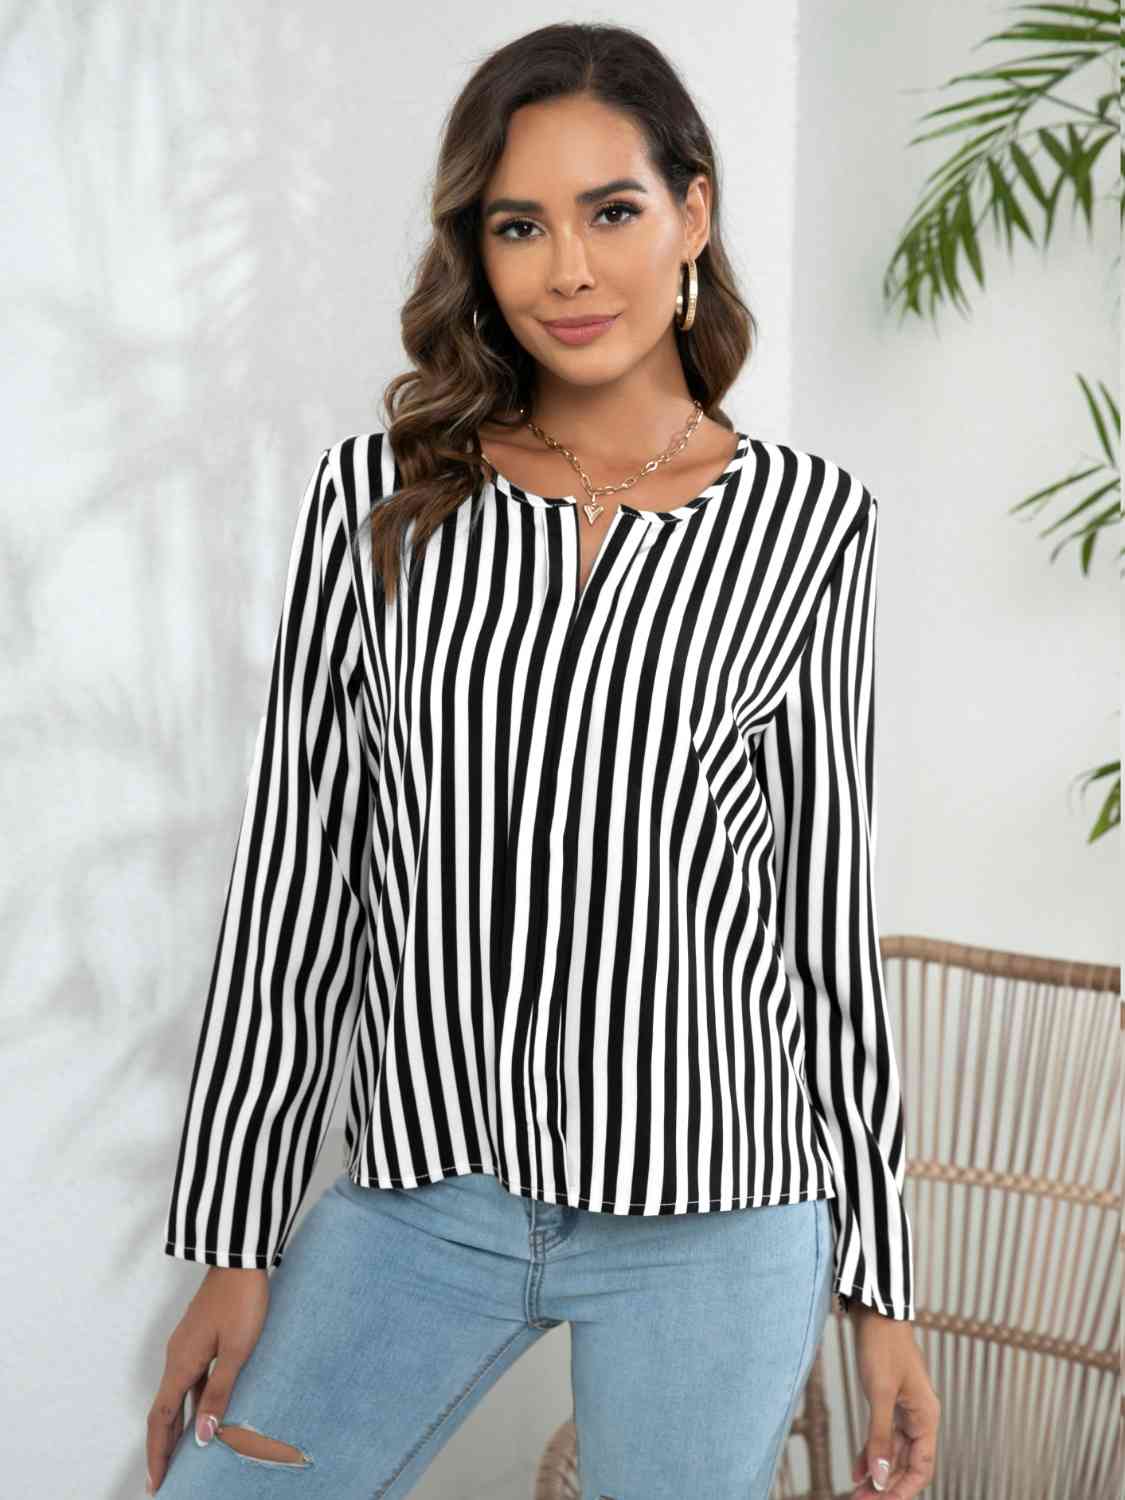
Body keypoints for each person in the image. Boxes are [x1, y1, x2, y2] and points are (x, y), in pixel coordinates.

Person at [146, 20, 940, 1499]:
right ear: (478, 249)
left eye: (611, 211)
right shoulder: (382, 501)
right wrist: (236, 1244)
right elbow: (298, 880)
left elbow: (824, 920)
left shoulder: (811, 523)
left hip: (718, 1209)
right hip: (422, 1197)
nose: (567, 270)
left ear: (692, 214)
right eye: (520, 226)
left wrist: (881, 1291)